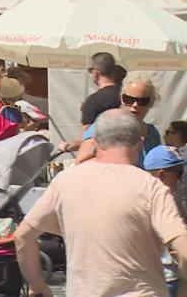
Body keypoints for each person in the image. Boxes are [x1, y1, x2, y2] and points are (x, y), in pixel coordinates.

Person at [15, 109, 187, 297]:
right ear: (140, 144)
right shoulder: (150, 187)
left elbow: (23, 236)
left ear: (95, 144)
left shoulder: (65, 181)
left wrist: (37, 284)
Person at [77, 72, 162, 165]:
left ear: (152, 102)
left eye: (143, 101)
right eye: (129, 99)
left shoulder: (152, 134)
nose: (135, 105)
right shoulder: (103, 127)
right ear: (121, 98)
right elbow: (81, 163)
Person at [144, 145, 187, 296]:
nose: (181, 179)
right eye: (179, 173)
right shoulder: (149, 201)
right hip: (163, 278)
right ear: (162, 175)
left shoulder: (173, 197)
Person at [62, 52, 120, 153]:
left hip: (100, 154)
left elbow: (82, 141)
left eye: (91, 70)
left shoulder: (94, 100)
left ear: (96, 71)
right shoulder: (125, 96)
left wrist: (66, 146)